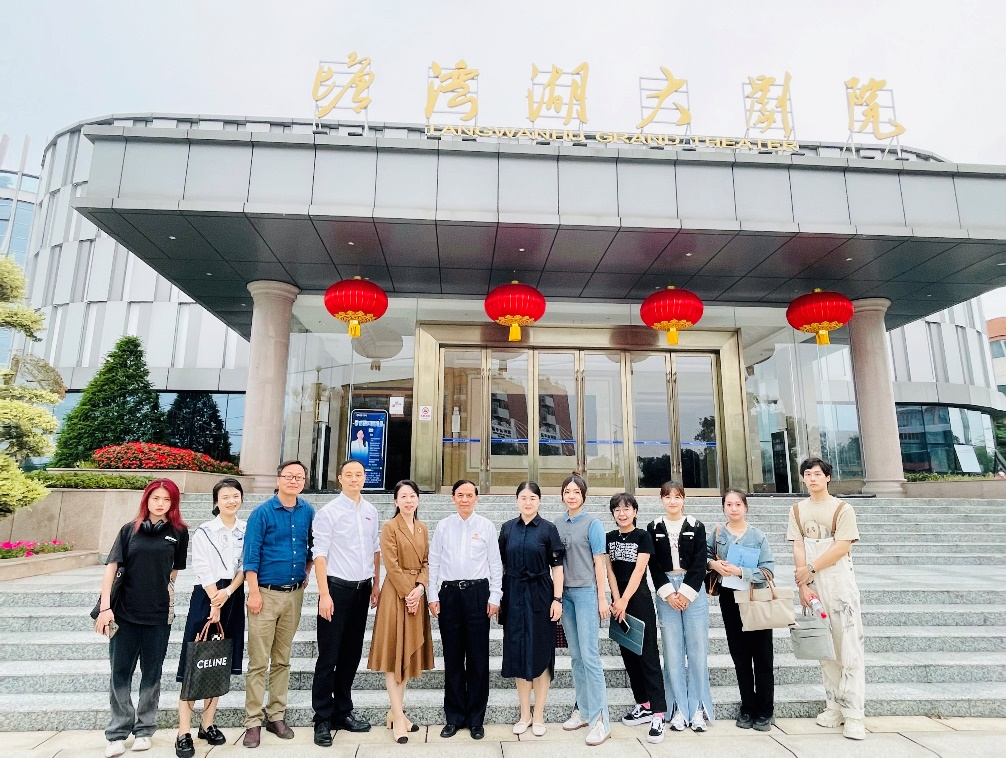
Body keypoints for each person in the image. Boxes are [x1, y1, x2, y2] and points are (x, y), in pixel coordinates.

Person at [94, 479, 189, 758]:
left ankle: (145, 730)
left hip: (158, 616)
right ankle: (117, 733)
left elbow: (174, 571)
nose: (160, 503)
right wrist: (105, 608)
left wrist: (162, 591)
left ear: (173, 503)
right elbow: (111, 569)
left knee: (152, 674)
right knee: (120, 673)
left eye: (167, 499)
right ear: (146, 500)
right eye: (155, 498)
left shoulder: (179, 532)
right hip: (123, 615)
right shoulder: (129, 530)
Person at [788, 457, 866, 741]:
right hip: (813, 583)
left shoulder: (842, 509)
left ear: (828, 477)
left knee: (849, 647)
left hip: (839, 582)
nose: (812, 478)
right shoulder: (797, 510)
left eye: (817, 474)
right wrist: (803, 583)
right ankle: (834, 706)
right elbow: (798, 546)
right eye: (808, 474)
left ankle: (854, 713)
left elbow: (842, 546)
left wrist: (810, 568)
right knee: (826, 647)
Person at [242, 460, 315, 749]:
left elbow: (312, 546)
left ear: (304, 482)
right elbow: (250, 555)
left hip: (294, 595)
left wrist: (307, 571)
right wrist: (253, 592)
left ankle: (276, 715)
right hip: (265, 593)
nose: (294, 481)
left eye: (299, 477)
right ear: (278, 479)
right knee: (259, 661)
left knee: (282, 659)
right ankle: (252, 721)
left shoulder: (308, 511)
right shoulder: (262, 513)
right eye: (289, 476)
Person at [311, 459, 382, 746]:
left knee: (351, 655)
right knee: (329, 656)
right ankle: (322, 718)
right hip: (336, 590)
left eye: (359, 474)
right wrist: (324, 594)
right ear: (340, 478)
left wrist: (376, 584)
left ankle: (343, 711)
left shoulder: (371, 511)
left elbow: (375, 550)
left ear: (365, 478)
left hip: (362, 590)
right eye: (349, 474)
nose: (354, 479)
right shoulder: (328, 512)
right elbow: (319, 554)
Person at [175, 478, 247, 758]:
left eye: (235, 495)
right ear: (216, 501)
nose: (231, 500)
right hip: (206, 596)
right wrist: (215, 600)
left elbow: (245, 566)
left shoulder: (245, 529)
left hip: (232, 595)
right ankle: (183, 731)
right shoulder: (205, 531)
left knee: (218, 659)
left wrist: (227, 593)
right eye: (225, 496)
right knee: (196, 660)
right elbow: (202, 566)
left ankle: (207, 724)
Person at [427, 479, 503, 740]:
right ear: (453, 498)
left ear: (476, 498)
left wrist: (495, 596)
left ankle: (476, 719)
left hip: (477, 594)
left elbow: (495, 564)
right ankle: (454, 716)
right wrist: (432, 595)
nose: (464, 499)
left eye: (469, 495)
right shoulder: (443, 526)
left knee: (478, 659)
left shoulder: (486, 526)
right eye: (460, 495)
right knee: (453, 657)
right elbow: (434, 562)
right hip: (449, 595)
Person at [367, 479, 435, 744]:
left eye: (412, 495)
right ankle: (398, 718)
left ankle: (395, 713)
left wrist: (420, 588)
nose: (408, 500)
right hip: (396, 596)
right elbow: (391, 565)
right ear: (396, 501)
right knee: (395, 654)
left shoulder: (422, 527)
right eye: (403, 496)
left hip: (415, 593)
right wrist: (409, 592)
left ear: (418, 499)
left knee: (406, 655)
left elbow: (427, 562)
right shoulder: (390, 527)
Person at [499, 481, 566, 738]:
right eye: (523, 498)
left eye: (532, 498)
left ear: (539, 501)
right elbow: (499, 564)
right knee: (518, 652)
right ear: (517, 500)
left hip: (541, 595)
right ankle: (524, 714)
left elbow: (557, 567)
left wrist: (557, 599)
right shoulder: (507, 529)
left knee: (541, 653)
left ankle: (538, 714)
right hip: (514, 594)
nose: (528, 503)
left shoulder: (548, 529)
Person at [707, 489, 775, 731]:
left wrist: (740, 572)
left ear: (745, 507)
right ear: (723, 508)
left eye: (738, 504)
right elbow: (704, 557)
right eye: (729, 504)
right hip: (729, 598)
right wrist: (714, 564)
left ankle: (765, 710)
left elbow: (768, 571)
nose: (733, 508)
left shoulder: (758, 536)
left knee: (762, 656)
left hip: (755, 598)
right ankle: (747, 707)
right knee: (740, 656)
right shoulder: (718, 534)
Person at [648, 481, 714, 732]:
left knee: (697, 650)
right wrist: (668, 593)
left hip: (692, 590)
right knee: (672, 651)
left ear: (684, 499)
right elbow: (653, 564)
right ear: (661, 500)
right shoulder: (654, 527)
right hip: (667, 591)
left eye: (677, 496)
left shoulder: (696, 526)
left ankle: (696, 709)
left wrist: (686, 592)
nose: (672, 501)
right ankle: (676, 708)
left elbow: (700, 562)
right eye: (667, 497)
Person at [606, 493, 668, 745]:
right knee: (629, 655)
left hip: (638, 599)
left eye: (627, 509)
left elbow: (640, 570)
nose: (622, 513)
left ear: (635, 512)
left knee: (648, 656)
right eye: (617, 510)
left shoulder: (643, 536)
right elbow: (609, 571)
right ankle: (643, 704)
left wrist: (623, 600)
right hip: (618, 600)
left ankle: (658, 714)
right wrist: (616, 599)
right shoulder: (609, 537)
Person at [555, 474, 612, 746]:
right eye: (567, 491)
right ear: (562, 495)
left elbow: (600, 563)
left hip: (587, 593)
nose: (571, 496)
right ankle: (584, 711)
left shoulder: (593, 523)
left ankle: (601, 720)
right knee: (576, 657)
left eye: (576, 492)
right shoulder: (556, 523)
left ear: (584, 496)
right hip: (565, 596)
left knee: (590, 657)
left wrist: (602, 597)